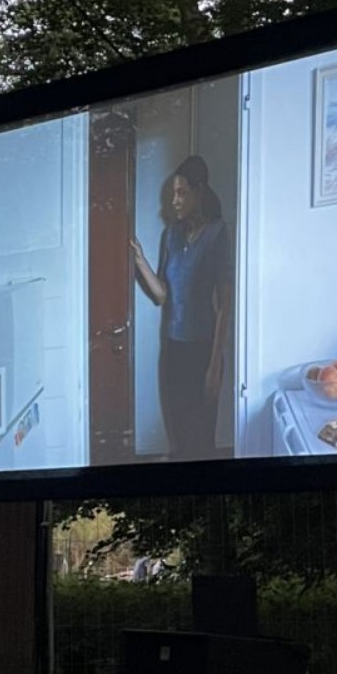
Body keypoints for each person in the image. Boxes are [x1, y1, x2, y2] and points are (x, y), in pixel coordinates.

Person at [131, 155, 232, 461]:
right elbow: (162, 295)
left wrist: (214, 365)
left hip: (203, 350)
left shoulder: (217, 233)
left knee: (201, 438)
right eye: (172, 194)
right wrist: (140, 259)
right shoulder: (170, 236)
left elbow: (225, 303)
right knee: (179, 435)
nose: (174, 201)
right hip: (173, 350)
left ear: (199, 192)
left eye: (181, 193)